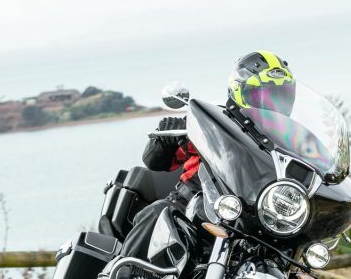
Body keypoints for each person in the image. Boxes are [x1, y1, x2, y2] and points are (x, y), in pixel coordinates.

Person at [121, 51, 296, 258]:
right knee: (159, 212)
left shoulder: (289, 140)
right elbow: (154, 161)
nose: (275, 105)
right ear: (240, 91)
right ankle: (122, 276)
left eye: (281, 96)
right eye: (266, 96)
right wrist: (166, 138)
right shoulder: (215, 125)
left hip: (248, 219)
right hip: (191, 205)